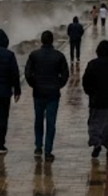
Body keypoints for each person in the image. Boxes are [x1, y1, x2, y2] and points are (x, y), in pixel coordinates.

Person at [25, 31, 70, 162]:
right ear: (52, 41)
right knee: (51, 122)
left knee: (38, 120)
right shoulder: (59, 56)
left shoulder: (34, 55)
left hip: (38, 93)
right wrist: (58, 85)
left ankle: (38, 146)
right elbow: (65, 75)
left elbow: (27, 73)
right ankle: (48, 151)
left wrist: (34, 84)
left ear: (42, 41)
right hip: (53, 94)